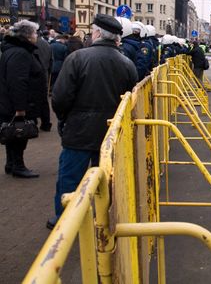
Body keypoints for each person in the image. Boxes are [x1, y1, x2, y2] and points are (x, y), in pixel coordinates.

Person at [48, 14, 137, 229]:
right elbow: (129, 100)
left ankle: (65, 222)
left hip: (78, 131)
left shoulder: (77, 58)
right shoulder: (127, 64)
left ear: (97, 33)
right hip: (110, 131)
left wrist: (64, 119)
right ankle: (103, 221)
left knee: (70, 180)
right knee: (106, 180)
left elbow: (60, 97)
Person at [0, 20, 46, 178]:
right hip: (19, 104)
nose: (36, 36)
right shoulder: (20, 53)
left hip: (11, 102)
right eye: (34, 33)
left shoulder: (12, 50)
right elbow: (18, 81)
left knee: (11, 131)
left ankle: (11, 163)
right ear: (26, 36)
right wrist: (20, 108)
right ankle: (18, 165)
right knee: (19, 133)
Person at [35, 31, 53, 131]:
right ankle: (46, 123)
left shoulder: (31, 44)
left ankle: (33, 123)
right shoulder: (47, 44)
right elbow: (51, 60)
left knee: (33, 100)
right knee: (44, 100)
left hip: (34, 75)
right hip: (45, 74)